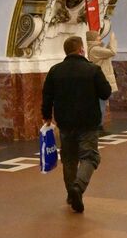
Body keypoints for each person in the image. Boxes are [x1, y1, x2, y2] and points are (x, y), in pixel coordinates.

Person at [42, 34, 112, 213]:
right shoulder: (92, 69)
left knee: (69, 159)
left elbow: (47, 96)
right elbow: (105, 93)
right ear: (81, 49)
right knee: (89, 157)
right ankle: (78, 188)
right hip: (88, 122)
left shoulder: (55, 70)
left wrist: (46, 116)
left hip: (65, 122)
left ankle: (70, 194)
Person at [86, 29, 118, 135]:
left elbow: (108, 53)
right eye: (98, 36)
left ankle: (99, 126)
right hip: (101, 81)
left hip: (101, 80)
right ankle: (98, 127)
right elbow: (112, 52)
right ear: (93, 38)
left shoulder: (96, 49)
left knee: (102, 104)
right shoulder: (95, 49)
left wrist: (109, 43)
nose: (100, 37)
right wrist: (113, 40)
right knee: (101, 105)